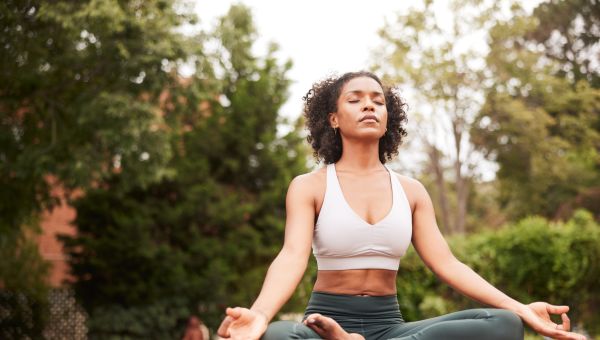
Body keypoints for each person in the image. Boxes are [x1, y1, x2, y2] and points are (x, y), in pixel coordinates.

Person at [216, 71, 586, 340]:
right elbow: (292, 256)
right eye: (356, 99)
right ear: (333, 118)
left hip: (390, 326)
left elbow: (448, 263)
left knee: (503, 324)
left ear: (388, 117)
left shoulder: (411, 191)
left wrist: (521, 308)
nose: (369, 106)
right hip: (323, 323)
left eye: (378, 100)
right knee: (278, 337)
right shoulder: (309, 186)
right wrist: (260, 315)